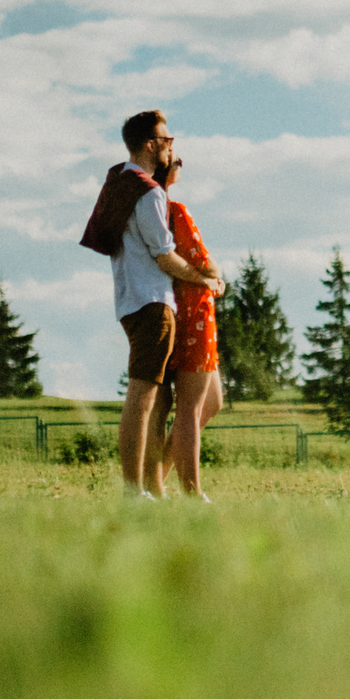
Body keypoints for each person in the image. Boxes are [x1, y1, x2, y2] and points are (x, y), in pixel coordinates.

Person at [78, 109, 222, 500]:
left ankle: (142, 487)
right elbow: (165, 256)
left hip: (127, 301)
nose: (170, 146)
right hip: (153, 302)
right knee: (142, 399)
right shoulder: (148, 192)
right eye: (166, 140)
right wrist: (203, 278)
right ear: (150, 144)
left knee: (147, 399)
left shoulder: (119, 183)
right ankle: (133, 490)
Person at [145, 154, 225, 500]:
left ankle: (155, 477)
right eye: (174, 156)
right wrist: (213, 278)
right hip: (192, 310)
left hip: (178, 307)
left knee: (209, 402)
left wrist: (213, 276)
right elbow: (201, 261)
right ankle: (192, 494)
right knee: (191, 408)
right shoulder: (173, 211)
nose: (180, 160)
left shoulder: (157, 212)